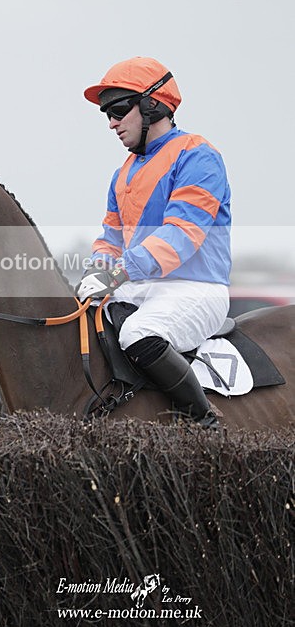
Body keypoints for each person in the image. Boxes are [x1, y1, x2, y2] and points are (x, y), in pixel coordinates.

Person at [77, 56, 231, 427]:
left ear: (152, 104)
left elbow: (181, 235)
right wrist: (98, 272)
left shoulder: (197, 155)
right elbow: (110, 238)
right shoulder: (123, 173)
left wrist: (118, 274)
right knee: (84, 321)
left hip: (196, 288)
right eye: (105, 114)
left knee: (137, 332)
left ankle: (205, 422)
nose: (111, 122)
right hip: (141, 288)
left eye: (117, 109)